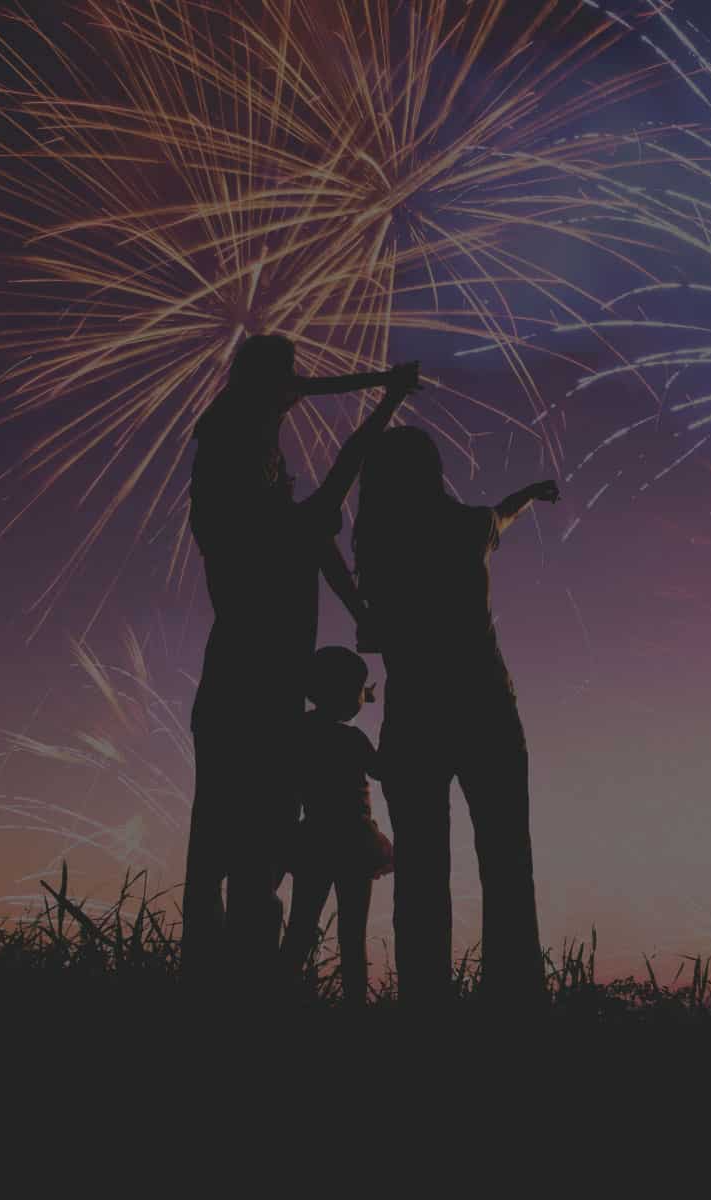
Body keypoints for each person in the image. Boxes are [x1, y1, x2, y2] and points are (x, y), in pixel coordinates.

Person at [182, 334, 420, 991]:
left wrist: (362, 610)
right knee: (247, 847)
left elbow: (328, 553)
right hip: (256, 694)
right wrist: (384, 398)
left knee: (236, 843)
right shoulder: (268, 507)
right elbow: (343, 468)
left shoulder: (255, 513)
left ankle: (227, 977)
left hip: (245, 689)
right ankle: (239, 984)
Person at [352, 426, 558, 1007]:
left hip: (415, 712)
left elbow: (377, 628)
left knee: (419, 868)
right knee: (507, 859)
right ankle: (515, 997)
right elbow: (501, 515)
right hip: (485, 705)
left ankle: (425, 1002)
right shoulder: (468, 528)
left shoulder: (374, 545)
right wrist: (530, 494)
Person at [280, 646, 395, 1006]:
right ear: (347, 696)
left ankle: (278, 993)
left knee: (300, 926)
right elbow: (381, 771)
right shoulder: (353, 739)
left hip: (315, 839)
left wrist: (362, 695)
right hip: (354, 843)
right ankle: (355, 1004)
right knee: (352, 933)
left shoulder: (300, 731)